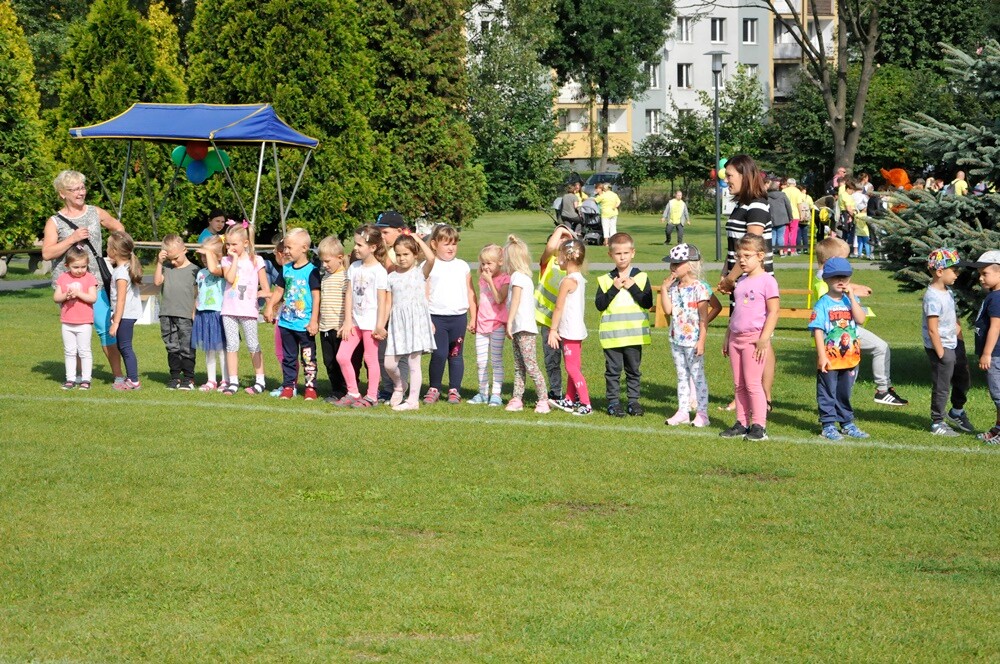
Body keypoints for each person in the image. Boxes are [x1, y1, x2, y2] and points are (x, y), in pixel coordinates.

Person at [42, 170, 126, 384]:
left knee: (103, 328)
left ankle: (118, 376)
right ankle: (78, 376)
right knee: (75, 328)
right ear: (62, 193)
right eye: (75, 189)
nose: (81, 193)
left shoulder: (94, 212)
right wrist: (72, 238)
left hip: (94, 282)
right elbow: (47, 253)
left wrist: (115, 253)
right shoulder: (54, 221)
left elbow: (118, 228)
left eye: (82, 187)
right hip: (67, 285)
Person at [813, 237, 908, 406]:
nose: (845, 267)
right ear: (829, 262)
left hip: (850, 329)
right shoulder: (824, 281)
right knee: (875, 351)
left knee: (853, 368)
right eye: (842, 260)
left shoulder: (830, 278)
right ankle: (880, 391)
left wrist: (856, 290)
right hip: (838, 334)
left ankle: (863, 397)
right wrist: (855, 290)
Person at [717, 154, 776, 411]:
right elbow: (735, 249)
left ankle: (763, 396)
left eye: (730, 175)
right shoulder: (741, 205)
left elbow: (750, 250)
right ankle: (746, 395)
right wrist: (725, 274)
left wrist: (730, 279)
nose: (726, 180)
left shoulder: (757, 205)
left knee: (760, 338)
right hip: (738, 284)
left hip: (754, 284)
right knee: (742, 335)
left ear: (744, 175)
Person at [720, 234, 779, 441]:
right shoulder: (741, 281)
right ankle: (741, 422)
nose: (741, 260)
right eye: (739, 256)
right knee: (739, 384)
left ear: (760, 256)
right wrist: (728, 335)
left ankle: (759, 426)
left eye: (746, 255)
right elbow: (736, 312)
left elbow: (773, 312)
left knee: (753, 383)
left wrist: (764, 339)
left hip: (755, 340)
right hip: (736, 338)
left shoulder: (767, 281)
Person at [205, 221, 270, 396]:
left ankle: (260, 380)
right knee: (232, 346)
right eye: (228, 244)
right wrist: (233, 259)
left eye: (234, 244)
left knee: (253, 345)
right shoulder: (226, 260)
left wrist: (262, 295)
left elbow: (265, 287)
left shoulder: (257, 260)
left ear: (245, 243)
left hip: (248, 311)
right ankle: (233, 381)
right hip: (229, 310)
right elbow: (230, 278)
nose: (231, 247)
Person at [808, 257, 870, 440]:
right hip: (830, 357)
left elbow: (860, 320)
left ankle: (847, 423)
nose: (840, 281)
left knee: (844, 392)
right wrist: (821, 356)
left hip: (850, 357)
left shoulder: (851, 300)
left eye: (844, 277)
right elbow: (817, 331)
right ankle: (828, 425)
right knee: (827, 391)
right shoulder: (823, 304)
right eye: (835, 277)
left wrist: (852, 297)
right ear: (826, 279)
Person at [594, 232, 652, 417]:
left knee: (633, 371)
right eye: (618, 253)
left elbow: (647, 302)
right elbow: (599, 304)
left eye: (626, 253)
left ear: (633, 253)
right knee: (613, 371)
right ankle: (613, 402)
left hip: (634, 335)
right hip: (613, 337)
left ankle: (633, 402)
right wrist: (614, 288)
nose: (622, 257)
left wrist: (632, 287)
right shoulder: (605, 280)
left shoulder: (641, 277)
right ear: (610, 255)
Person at [333, 224, 388, 408]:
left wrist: (380, 325)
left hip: (371, 324)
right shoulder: (354, 267)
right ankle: (353, 392)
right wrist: (348, 321)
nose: (355, 248)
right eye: (355, 244)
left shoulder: (379, 271)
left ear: (372, 247)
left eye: (359, 245)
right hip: (355, 322)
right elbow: (349, 294)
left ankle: (372, 396)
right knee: (342, 356)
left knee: (370, 360)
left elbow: (382, 301)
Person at [380, 233, 437, 411]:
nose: (402, 258)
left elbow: (431, 258)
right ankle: (399, 386)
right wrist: (381, 324)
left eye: (406, 254)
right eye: (398, 254)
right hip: (398, 324)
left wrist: (417, 239)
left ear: (414, 255)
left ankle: (413, 401)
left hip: (416, 323)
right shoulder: (391, 277)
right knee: (389, 363)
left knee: (414, 363)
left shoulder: (420, 272)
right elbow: (388, 303)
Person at [264, 228, 321, 401]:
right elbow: (279, 290)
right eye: (285, 248)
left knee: (308, 358)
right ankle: (289, 386)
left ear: (304, 248)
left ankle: (310, 387)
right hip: (286, 323)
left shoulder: (312, 271)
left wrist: (313, 321)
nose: (286, 251)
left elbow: (316, 297)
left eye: (289, 247)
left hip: (304, 324)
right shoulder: (286, 269)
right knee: (288, 357)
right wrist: (270, 307)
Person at [661, 243, 714, 427]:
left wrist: (701, 341)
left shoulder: (700, 288)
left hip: (693, 341)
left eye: (677, 264)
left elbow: (703, 319)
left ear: (690, 264)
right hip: (676, 339)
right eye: (672, 264)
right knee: (682, 376)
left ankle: (702, 414)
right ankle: (683, 411)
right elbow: (668, 310)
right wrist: (664, 289)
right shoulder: (674, 288)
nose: (673, 267)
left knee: (697, 377)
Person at [922, 249, 974, 436]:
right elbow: (932, 328)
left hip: (953, 343)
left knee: (964, 377)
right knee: (942, 385)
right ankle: (937, 422)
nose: (957, 274)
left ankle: (956, 412)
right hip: (941, 346)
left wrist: (958, 336)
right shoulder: (932, 297)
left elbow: (951, 317)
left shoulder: (948, 292)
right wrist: (941, 353)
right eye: (954, 270)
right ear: (939, 271)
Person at [424, 224, 476, 404]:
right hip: (436, 318)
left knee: (455, 354)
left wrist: (473, 317)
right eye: (446, 243)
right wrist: (425, 318)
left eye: (454, 243)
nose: (451, 247)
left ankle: (454, 389)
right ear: (434, 244)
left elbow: (470, 292)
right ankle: (434, 388)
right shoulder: (429, 265)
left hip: (458, 319)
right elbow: (424, 293)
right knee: (438, 354)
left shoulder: (462, 266)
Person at [504, 235, 550, 413]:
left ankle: (543, 399)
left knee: (530, 366)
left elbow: (515, 301)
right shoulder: (523, 277)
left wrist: (509, 323)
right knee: (519, 366)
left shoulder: (518, 277)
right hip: (519, 328)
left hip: (523, 328)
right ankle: (517, 398)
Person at [548, 238, 592, 416]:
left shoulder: (568, 281)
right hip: (576, 330)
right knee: (573, 366)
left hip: (570, 331)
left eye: (559, 254)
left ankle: (586, 403)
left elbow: (558, 307)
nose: (557, 258)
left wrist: (552, 330)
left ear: (567, 257)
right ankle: (568, 398)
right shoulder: (578, 278)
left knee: (572, 368)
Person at [153, 234, 198, 390]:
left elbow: (198, 294)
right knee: (172, 347)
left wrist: (195, 311)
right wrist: (160, 262)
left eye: (176, 258)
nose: (173, 262)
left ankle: (188, 378)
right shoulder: (166, 268)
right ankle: (174, 377)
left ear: (185, 250)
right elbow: (157, 281)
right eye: (169, 259)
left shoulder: (194, 270)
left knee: (186, 347)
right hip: (167, 314)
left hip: (186, 315)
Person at [535, 225, 574, 400]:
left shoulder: (573, 265)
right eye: (560, 239)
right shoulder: (547, 261)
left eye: (567, 240)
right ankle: (556, 390)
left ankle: (573, 393)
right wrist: (561, 228)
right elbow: (551, 248)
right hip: (548, 321)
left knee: (571, 360)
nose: (563, 241)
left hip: (567, 320)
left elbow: (578, 246)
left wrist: (568, 235)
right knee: (552, 359)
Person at [374, 209, 409, 402]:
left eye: (386, 232)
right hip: (386, 309)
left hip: (400, 311)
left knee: (399, 355)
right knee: (383, 352)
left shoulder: (401, 254)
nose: (382, 236)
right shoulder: (385, 252)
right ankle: (389, 387)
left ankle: (400, 387)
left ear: (399, 231)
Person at [469, 243, 509, 406]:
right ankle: (482, 392)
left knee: (496, 360)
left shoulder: (505, 278)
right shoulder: (482, 279)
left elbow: (499, 299)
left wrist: (490, 281)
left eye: (489, 263)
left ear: (500, 262)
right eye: (483, 263)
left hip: (497, 325)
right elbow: (480, 300)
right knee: (481, 361)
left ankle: (496, 394)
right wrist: (474, 319)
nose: (485, 267)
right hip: (482, 324)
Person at [53, 246, 97, 390]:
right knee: (70, 351)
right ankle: (70, 379)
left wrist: (78, 294)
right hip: (67, 321)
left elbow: (92, 298)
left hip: (84, 322)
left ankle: (86, 379)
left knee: (84, 351)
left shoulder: (89, 278)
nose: (80, 270)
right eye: (76, 267)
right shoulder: (63, 278)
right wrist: (66, 295)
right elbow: (56, 297)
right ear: (67, 266)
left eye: (83, 266)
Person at [107, 231, 144, 391]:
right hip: (126, 314)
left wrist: (115, 322)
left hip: (125, 315)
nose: (106, 249)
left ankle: (134, 381)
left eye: (108, 246)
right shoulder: (126, 266)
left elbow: (121, 300)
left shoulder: (121, 272)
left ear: (114, 251)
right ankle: (131, 377)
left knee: (125, 347)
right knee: (124, 346)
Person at [970, 250, 1000, 444]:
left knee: (999, 395)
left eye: (985, 274)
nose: (981, 278)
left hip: (996, 355)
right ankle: (998, 428)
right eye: (979, 274)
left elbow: (996, 326)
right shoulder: (993, 295)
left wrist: (987, 353)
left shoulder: (997, 298)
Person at [192, 236, 228, 391]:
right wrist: (194, 311)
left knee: (221, 349)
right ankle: (211, 380)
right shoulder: (200, 273)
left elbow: (215, 271)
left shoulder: (222, 269)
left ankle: (226, 380)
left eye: (207, 254)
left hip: (218, 313)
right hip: (204, 314)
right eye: (202, 255)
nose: (203, 258)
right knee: (209, 349)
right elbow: (198, 293)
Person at [317, 236, 348, 402]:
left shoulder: (345, 277)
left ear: (340, 258)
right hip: (325, 327)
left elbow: (348, 303)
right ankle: (335, 389)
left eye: (327, 261)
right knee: (328, 361)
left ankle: (345, 389)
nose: (324, 265)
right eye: (322, 261)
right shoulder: (326, 277)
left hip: (339, 327)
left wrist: (346, 324)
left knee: (341, 360)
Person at [768, 178, 794, 257]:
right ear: (777, 187)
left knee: (773, 235)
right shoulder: (782, 195)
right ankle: (781, 252)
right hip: (782, 218)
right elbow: (788, 206)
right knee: (780, 236)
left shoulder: (766, 196)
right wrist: (790, 217)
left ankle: (771, 251)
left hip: (771, 217)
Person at [781, 178, 803, 255]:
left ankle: (785, 250)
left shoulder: (784, 191)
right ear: (795, 184)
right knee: (793, 233)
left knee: (785, 233)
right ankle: (793, 250)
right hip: (795, 214)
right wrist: (801, 214)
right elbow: (799, 204)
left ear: (787, 183)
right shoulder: (797, 192)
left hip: (785, 214)